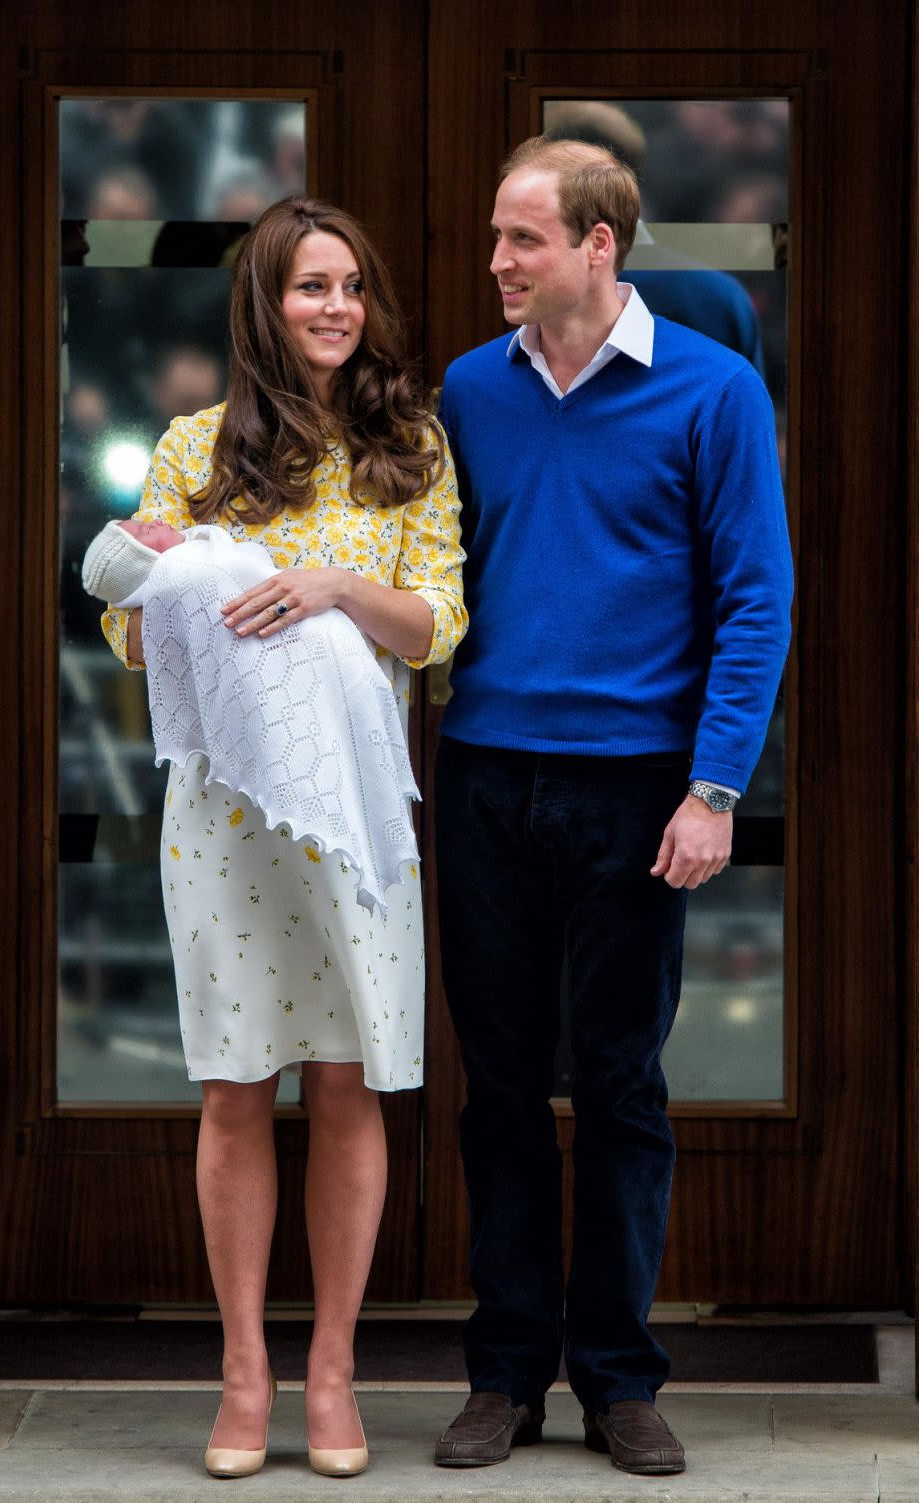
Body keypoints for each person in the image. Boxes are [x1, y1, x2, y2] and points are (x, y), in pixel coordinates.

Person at [433, 137, 792, 1477]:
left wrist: (714, 788)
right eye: (494, 237)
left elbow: (757, 599)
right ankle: (506, 1372)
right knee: (502, 1086)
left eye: (522, 238)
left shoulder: (714, 389)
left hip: (641, 786)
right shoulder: (472, 388)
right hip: (486, 772)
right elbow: (414, 561)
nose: (497, 263)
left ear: (598, 243)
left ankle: (621, 1375)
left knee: (626, 1082)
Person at [99, 196, 466, 1479]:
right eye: (312, 286)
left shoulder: (408, 443)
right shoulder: (194, 446)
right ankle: (244, 1373)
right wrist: (154, 571)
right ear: (266, 299)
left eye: (352, 286)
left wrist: (332, 588)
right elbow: (132, 634)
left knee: (350, 1084)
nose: (337, 308)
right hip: (226, 821)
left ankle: (333, 1375)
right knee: (235, 1086)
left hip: (361, 821)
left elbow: (437, 629)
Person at [83, 516, 421, 916]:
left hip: (339, 736)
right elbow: (126, 628)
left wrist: (341, 587)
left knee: (358, 945)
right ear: (143, 554)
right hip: (225, 785)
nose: (149, 521)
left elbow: (436, 628)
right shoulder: (188, 505)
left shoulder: (408, 456)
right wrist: (199, 597)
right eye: (139, 532)